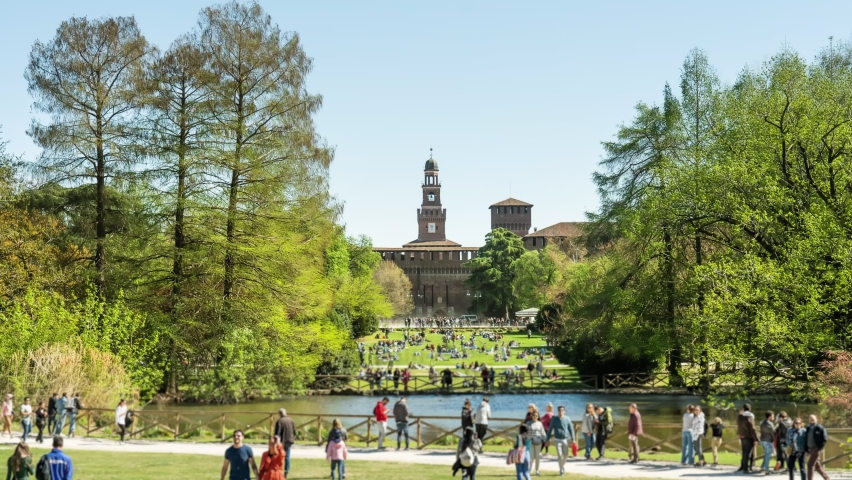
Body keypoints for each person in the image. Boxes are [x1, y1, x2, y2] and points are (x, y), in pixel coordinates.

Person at [545, 405, 575, 476]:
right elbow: (550, 429)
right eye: (559, 410)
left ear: (564, 411)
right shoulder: (554, 419)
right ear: (558, 411)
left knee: (566, 455)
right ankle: (561, 470)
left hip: (565, 439)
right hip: (557, 439)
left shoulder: (567, 419)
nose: (561, 411)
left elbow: (571, 429)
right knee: (559, 455)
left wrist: (573, 439)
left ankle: (562, 466)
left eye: (562, 410)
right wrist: (547, 439)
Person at [804, 414, 830, 480]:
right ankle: (827, 478)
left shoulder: (820, 428)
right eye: (810, 418)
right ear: (809, 420)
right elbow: (806, 439)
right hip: (810, 448)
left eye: (813, 418)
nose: (812, 420)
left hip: (817, 448)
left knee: (810, 464)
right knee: (817, 466)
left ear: (816, 419)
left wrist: (820, 448)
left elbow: (825, 438)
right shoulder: (808, 427)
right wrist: (806, 449)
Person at [737, 404, 759, 473]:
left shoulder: (739, 417)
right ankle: (746, 468)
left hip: (742, 436)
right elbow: (752, 429)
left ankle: (744, 466)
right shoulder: (750, 417)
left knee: (744, 452)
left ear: (743, 409)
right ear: (750, 409)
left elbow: (738, 427)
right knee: (749, 453)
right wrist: (756, 439)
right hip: (749, 437)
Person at [274, 409, 295, 477]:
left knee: (279, 456)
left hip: (281, 441)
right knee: (287, 456)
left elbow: (277, 433)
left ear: (280, 414)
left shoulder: (279, 421)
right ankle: (286, 471)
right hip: (289, 440)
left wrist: (275, 441)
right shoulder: (291, 420)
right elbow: (294, 432)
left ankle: (278, 470)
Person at [528, 411, 546, 476]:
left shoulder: (540, 423)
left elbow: (543, 433)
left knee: (537, 457)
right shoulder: (528, 423)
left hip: (538, 442)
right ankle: (529, 469)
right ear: (531, 416)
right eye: (534, 415)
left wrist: (545, 440)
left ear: (538, 416)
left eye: (536, 415)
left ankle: (537, 470)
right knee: (531, 456)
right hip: (531, 442)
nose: (535, 416)